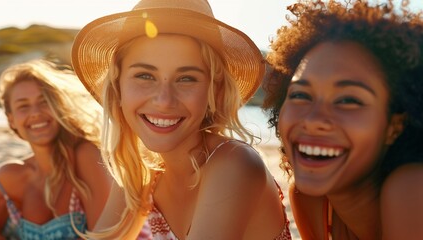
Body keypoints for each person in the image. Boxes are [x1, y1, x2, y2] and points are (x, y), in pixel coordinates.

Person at [71, 0, 292, 239]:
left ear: (213, 91)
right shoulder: (143, 169)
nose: (164, 100)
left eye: (186, 78)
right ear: (117, 87)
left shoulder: (233, 164)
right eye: (145, 75)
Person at [261, 0, 423, 239]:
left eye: (348, 101)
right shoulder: (311, 200)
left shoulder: (411, 186)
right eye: (301, 95)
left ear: (394, 126)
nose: (314, 119)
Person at [0, 59, 114, 239]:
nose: (35, 112)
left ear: (60, 106)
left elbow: (104, 236)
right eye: (23, 106)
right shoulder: (11, 176)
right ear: (11, 120)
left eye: (44, 101)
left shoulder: (86, 154)